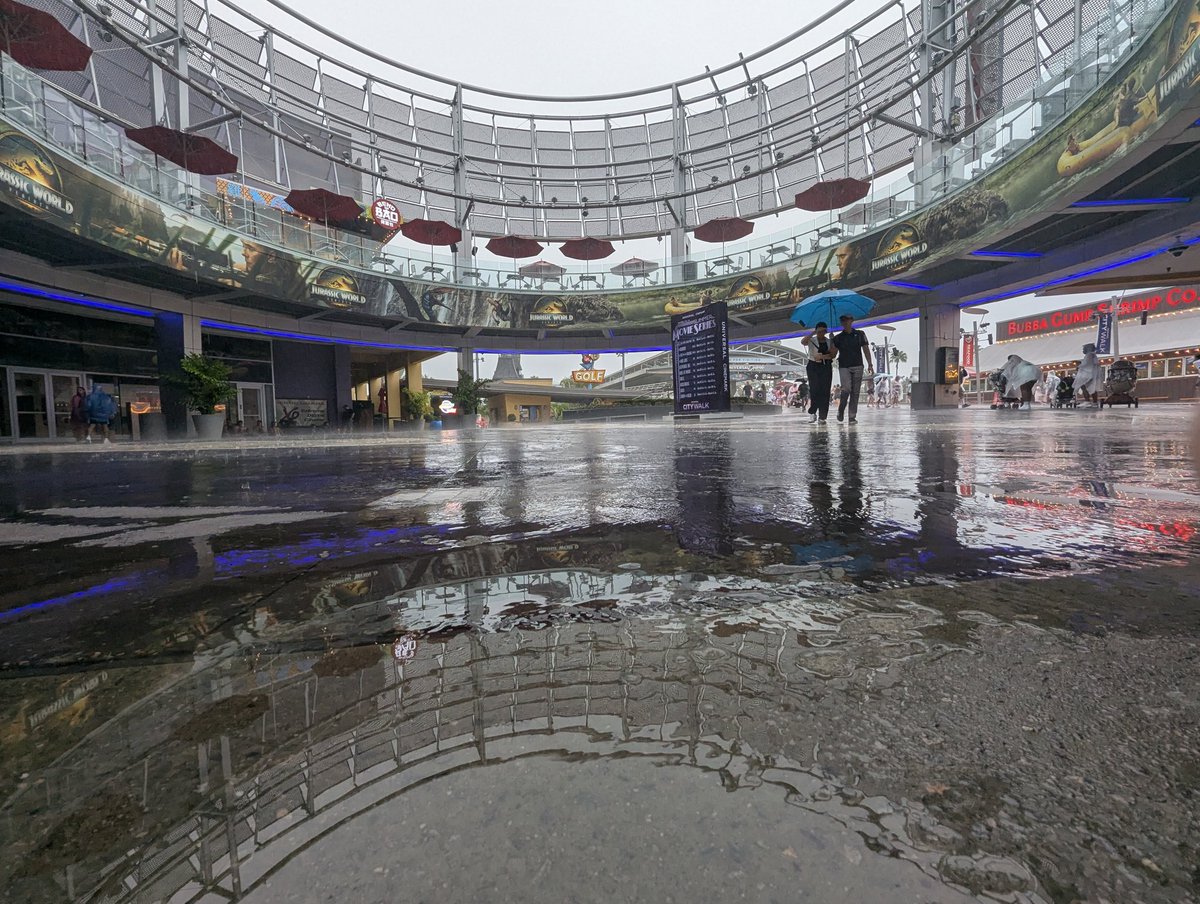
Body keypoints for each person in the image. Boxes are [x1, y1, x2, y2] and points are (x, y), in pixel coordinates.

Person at [832, 313, 874, 423]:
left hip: (858, 365)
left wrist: (870, 364)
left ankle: (852, 416)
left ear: (852, 320)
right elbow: (833, 354)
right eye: (843, 320)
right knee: (846, 389)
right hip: (844, 366)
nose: (845, 322)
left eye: (847, 320)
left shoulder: (860, 334)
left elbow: (866, 349)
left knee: (855, 392)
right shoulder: (838, 338)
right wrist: (832, 342)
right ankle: (841, 410)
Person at [802, 322, 836, 424]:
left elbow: (832, 355)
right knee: (814, 389)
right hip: (813, 366)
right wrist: (813, 332)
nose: (821, 333)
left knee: (825, 391)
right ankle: (813, 412)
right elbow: (803, 342)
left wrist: (823, 356)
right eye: (819, 331)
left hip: (826, 366)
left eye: (823, 331)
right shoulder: (812, 340)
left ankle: (823, 416)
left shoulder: (829, 341)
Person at [1074, 343, 1104, 408]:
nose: (1083, 350)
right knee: (1092, 388)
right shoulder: (1093, 355)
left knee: (1083, 386)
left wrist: (1079, 367)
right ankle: (1095, 402)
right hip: (1093, 374)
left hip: (1088, 374)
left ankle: (1087, 401)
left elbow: (1086, 364)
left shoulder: (1089, 355)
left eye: (1083, 348)